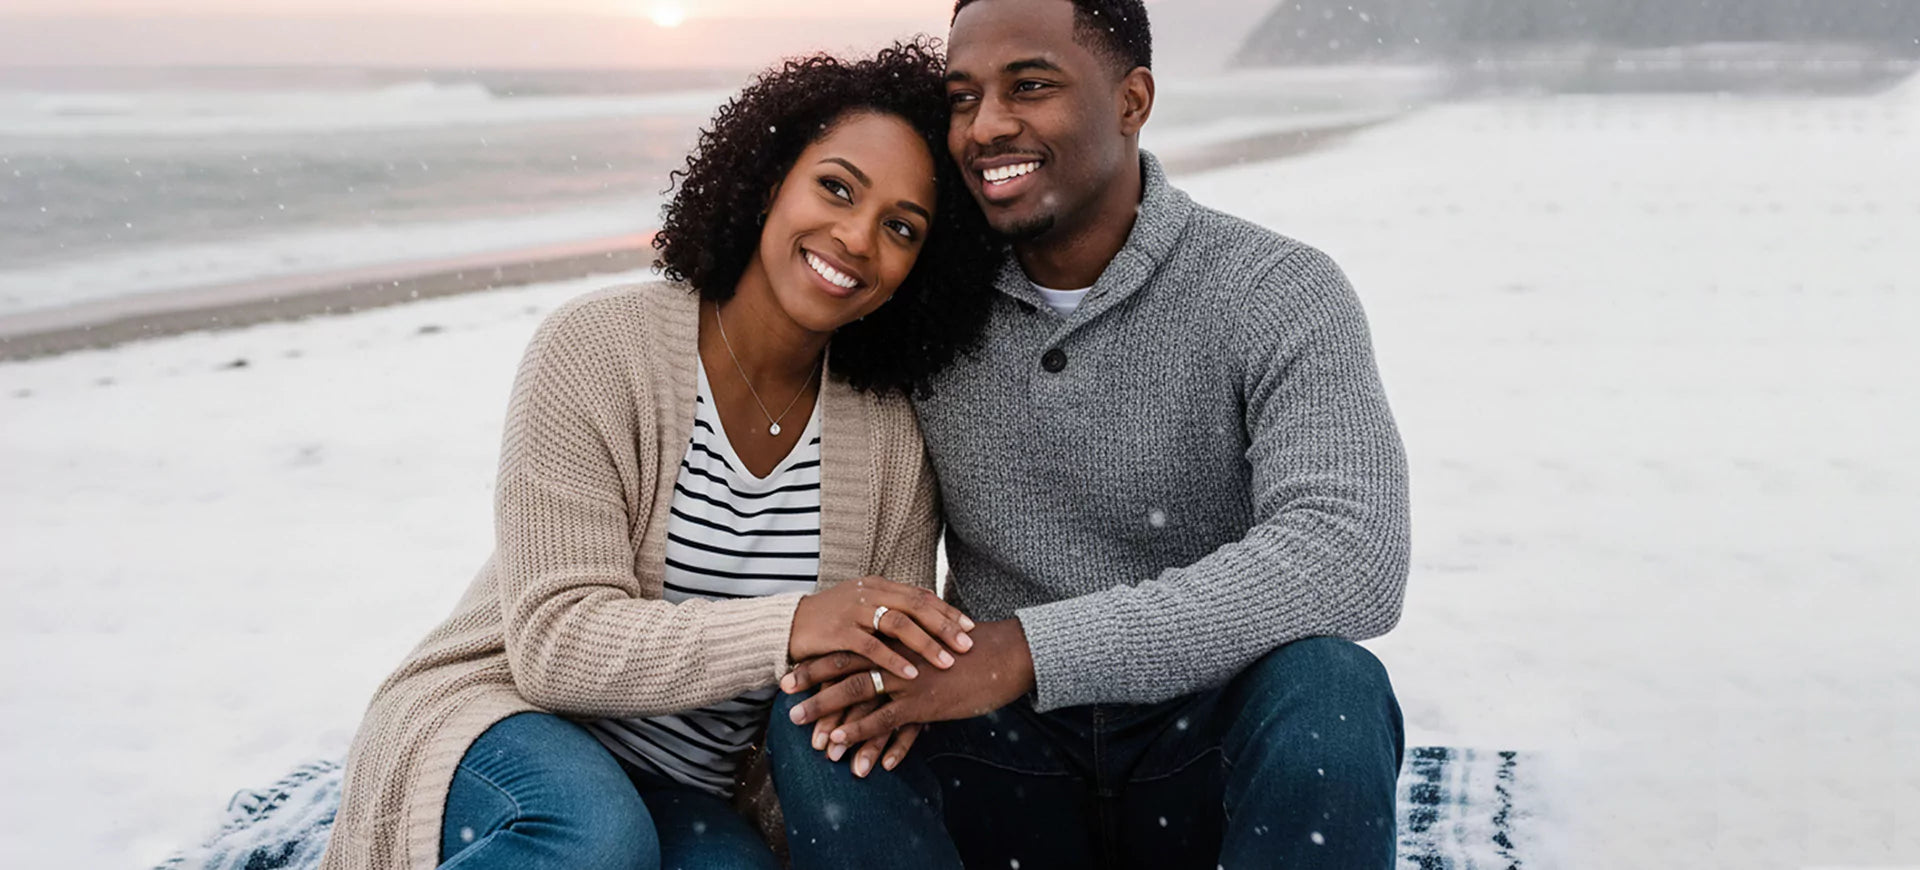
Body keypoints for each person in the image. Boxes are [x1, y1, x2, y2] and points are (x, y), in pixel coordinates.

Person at [317, 38, 1001, 870]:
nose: (856, 238)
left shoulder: (891, 438)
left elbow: (864, 670)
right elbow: (555, 644)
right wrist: (793, 623)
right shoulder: (597, 348)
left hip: (690, 792)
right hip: (507, 721)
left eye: (900, 227)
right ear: (769, 179)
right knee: (595, 838)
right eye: (835, 187)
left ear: (918, 270)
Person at [767, 1, 1412, 867]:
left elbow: (1350, 555)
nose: (987, 127)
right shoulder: (919, 298)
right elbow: (767, 320)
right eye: (962, 98)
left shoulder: (1277, 289)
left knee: (1335, 689)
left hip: (1206, 752)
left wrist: (1030, 650)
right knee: (823, 711)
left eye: (1030, 85)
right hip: (999, 760)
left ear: (1132, 100)